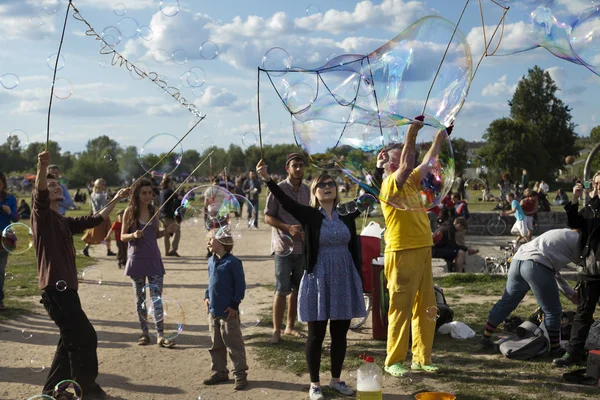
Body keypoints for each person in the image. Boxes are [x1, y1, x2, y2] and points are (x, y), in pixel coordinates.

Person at [257, 160, 366, 400]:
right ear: (315, 192)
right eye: (322, 184)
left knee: (340, 333)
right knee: (316, 335)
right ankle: (315, 384)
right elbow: (285, 202)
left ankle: (336, 380)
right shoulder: (309, 215)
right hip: (318, 277)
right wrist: (267, 179)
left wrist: (379, 169)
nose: (328, 187)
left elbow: (369, 196)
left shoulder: (346, 213)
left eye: (331, 184)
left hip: (343, 276)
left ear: (336, 190)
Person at [33, 150, 130, 399]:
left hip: (66, 290)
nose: (54, 187)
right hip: (55, 290)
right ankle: (88, 389)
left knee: (70, 340)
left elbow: (94, 219)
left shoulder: (63, 221)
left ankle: (51, 392)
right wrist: (42, 168)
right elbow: (39, 194)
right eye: (50, 184)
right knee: (85, 336)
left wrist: (117, 197)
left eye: (57, 184)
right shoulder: (41, 217)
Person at [379, 117, 452, 377]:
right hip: (401, 251)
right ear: (388, 164)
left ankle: (421, 357)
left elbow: (426, 163)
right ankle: (393, 360)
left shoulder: (410, 180)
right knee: (400, 307)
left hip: (422, 248)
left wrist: (439, 138)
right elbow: (411, 162)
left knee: (427, 307)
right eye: (394, 160)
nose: (399, 162)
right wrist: (411, 133)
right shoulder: (390, 184)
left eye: (399, 158)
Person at [480, 228, 580, 358]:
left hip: (517, 261)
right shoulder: (580, 240)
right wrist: (573, 294)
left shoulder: (561, 234)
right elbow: (586, 268)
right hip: (535, 265)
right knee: (552, 310)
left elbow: (552, 271)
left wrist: (570, 293)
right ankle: (555, 349)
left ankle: (485, 337)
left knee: (506, 302)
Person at [120, 178, 179, 348]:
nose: (148, 196)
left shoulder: (155, 211)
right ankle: (145, 333)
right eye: (144, 193)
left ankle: (160, 334)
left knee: (157, 298)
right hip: (136, 260)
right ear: (137, 194)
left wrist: (166, 231)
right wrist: (132, 236)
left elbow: (155, 235)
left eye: (150, 193)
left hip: (154, 260)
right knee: (140, 299)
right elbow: (122, 236)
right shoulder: (129, 212)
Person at [264, 153, 311, 344]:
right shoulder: (278, 189)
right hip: (283, 248)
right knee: (281, 290)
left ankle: (290, 327)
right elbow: (268, 217)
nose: (298, 169)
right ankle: (276, 330)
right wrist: (288, 228)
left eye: (301, 165)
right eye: (294, 165)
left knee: (297, 291)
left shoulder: (308, 190)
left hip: (303, 248)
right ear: (287, 168)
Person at [553, 176, 600, 367]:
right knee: (583, 313)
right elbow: (574, 223)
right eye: (595, 183)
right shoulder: (590, 209)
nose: (597, 186)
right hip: (590, 270)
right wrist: (575, 198)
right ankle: (573, 353)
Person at [202, 230, 248, 391]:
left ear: (222, 242)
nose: (207, 243)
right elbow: (210, 282)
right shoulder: (211, 261)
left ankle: (240, 374)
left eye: (210, 240)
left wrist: (235, 304)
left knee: (234, 345)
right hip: (213, 311)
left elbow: (240, 286)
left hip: (229, 313)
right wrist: (206, 296)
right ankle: (220, 372)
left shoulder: (233, 262)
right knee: (216, 345)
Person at [82, 179, 116, 257]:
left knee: (93, 234)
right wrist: (110, 201)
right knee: (105, 233)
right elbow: (104, 207)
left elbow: (91, 207)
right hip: (103, 216)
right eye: (103, 184)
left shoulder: (92, 194)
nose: (105, 185)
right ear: (99, 185)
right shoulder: (102, 195)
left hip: (94, 215)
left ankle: (107, 249)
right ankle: (107, 250)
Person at [0, 172, 18, 310]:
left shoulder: (10, 198)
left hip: (4, 238)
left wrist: (8, 212)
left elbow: (16, 219)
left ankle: (0, 300)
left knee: (0, 270)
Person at [159, 177, 181, 257]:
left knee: (166, 233)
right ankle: (173, 250)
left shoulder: (162, 191)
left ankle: (167, 252)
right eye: (171, 183)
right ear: (168, 184)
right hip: (167, 215)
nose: (172, 185)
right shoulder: (169, 191)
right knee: (177, 230)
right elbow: (179, 197)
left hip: (161, 215)